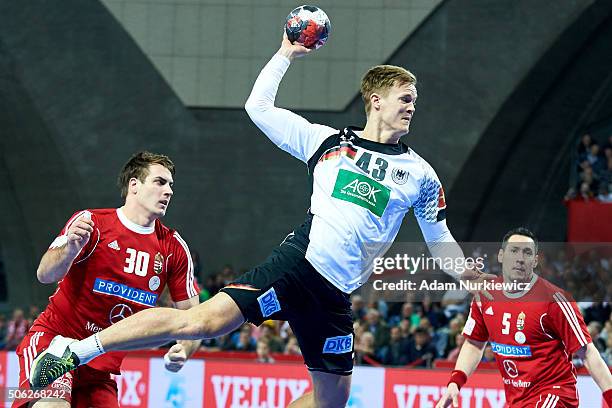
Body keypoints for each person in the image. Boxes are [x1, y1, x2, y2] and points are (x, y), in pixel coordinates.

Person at [30, 34, 491, 407]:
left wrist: (465, 270)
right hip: (298, 267)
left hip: (335, 295)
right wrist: (286, 53)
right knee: (203, 323)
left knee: (333, 400)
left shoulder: (422, 175)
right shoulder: (327, 142)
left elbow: (439, 239)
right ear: (375, 100)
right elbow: (259, 109)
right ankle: (76, 350)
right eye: (405, 98)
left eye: (415, 100)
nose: (412, 106)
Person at [16, 152, 201, 408]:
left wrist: (185, 350)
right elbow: (44, 275)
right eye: (160, 182)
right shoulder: (91, 222)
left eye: (171, 185)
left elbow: (194, 320)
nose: (168, 191)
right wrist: (69, 249)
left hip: (99, 370)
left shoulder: (174, 249)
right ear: (134, 185)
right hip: (53, 345)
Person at [436, 227, 612, 408]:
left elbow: (588, 353)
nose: (520, 258)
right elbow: (474, 343)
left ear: (535, 261)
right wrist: (455, 382)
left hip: (554, 396)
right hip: (517, 400)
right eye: (514, 251)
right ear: (501, 256)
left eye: (527, 253)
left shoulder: (555, 300)